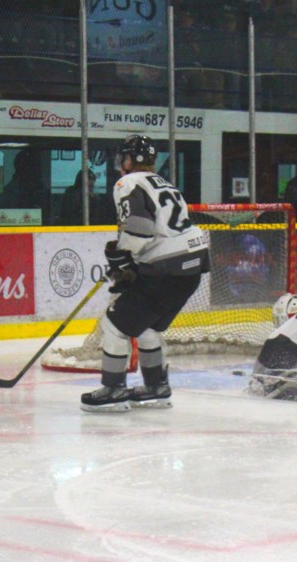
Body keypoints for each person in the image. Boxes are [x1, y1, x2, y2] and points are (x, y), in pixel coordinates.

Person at [80, 134, 210, 412]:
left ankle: (114, 389)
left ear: (130, 160)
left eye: (123, 156)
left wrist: (122, 257)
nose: (120, 162)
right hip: (193, 264)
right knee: (147, 326)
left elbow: (139, 228)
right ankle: (156, 387)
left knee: (113, 326)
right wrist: (130, 265)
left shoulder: (128, 182)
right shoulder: (165, 183)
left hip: (166, 267)